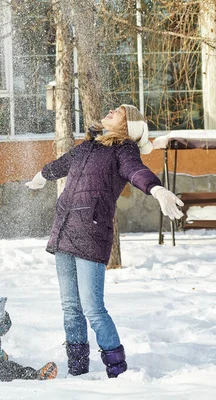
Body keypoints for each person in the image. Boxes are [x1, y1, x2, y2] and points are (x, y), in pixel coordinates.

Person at [25, 104, 184, 378]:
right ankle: (77, 369)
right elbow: (61, 165)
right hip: (64, 231)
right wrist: (40, 176)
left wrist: (155, 188)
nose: (112, 110)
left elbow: (136, 171)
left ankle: (117, 370)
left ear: (128, 125)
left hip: (91, 233)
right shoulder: (88, 146)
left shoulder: (124, 150)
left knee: (93, 309)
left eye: (119, 111)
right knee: (70, 308)